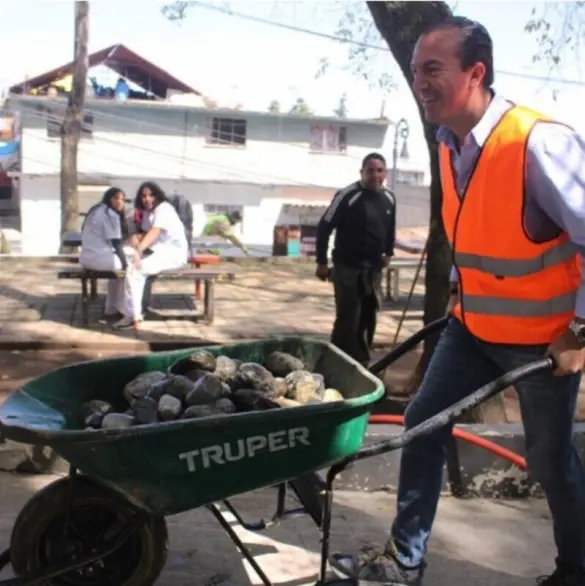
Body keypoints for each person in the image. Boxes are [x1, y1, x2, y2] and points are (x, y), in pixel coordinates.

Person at [330, 16, 585, 586]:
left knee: (549, 462)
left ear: (476, 73)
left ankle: (576, 567)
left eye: (432, 69)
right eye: (417, 70)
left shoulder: (537, 142)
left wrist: (581, 332)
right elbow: (480, 237)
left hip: (542, 342)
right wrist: (457, 297)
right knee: (421, 423)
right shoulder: (448, 146)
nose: (419, 82)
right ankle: (404, 560)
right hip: (471, 329)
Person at [314, 153, 396, 366]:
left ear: (385, 174)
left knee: (370, 316)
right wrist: (321, 262)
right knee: (348, 318)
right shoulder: (347, 195)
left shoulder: (389, 198)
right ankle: (335, 364)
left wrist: (388, 252)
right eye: (370, 170)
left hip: (374, 269)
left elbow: (390, 228)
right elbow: (324, 227)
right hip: (347, 268)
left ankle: (362, 364)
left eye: (380, 171)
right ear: (362, 172)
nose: (375, 175)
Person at [113, 181, 188, 330]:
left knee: (135, 271)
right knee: (127, 266)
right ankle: (126, 311)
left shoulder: (164, 209)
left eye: (151, 195)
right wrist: (135, 238)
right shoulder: (149, 212)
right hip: (160, 251)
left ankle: (133, 317)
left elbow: (155, 232)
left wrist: (138, 250)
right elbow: (147, 233)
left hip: (173, 253)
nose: (147, 199)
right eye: (144, 196)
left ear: (157, 195)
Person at [79, 187, 130, 319]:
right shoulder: (110, 214)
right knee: (130, 268)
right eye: (116, 198)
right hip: (100, 258)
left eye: (122, 199)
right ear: (109, 198)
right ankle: (121, 307)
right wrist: (125, 264)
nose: (120, 202)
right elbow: (116, 244)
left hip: (86, 257)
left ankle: (111, 307)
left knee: (119, 270)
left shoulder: (95, 209)